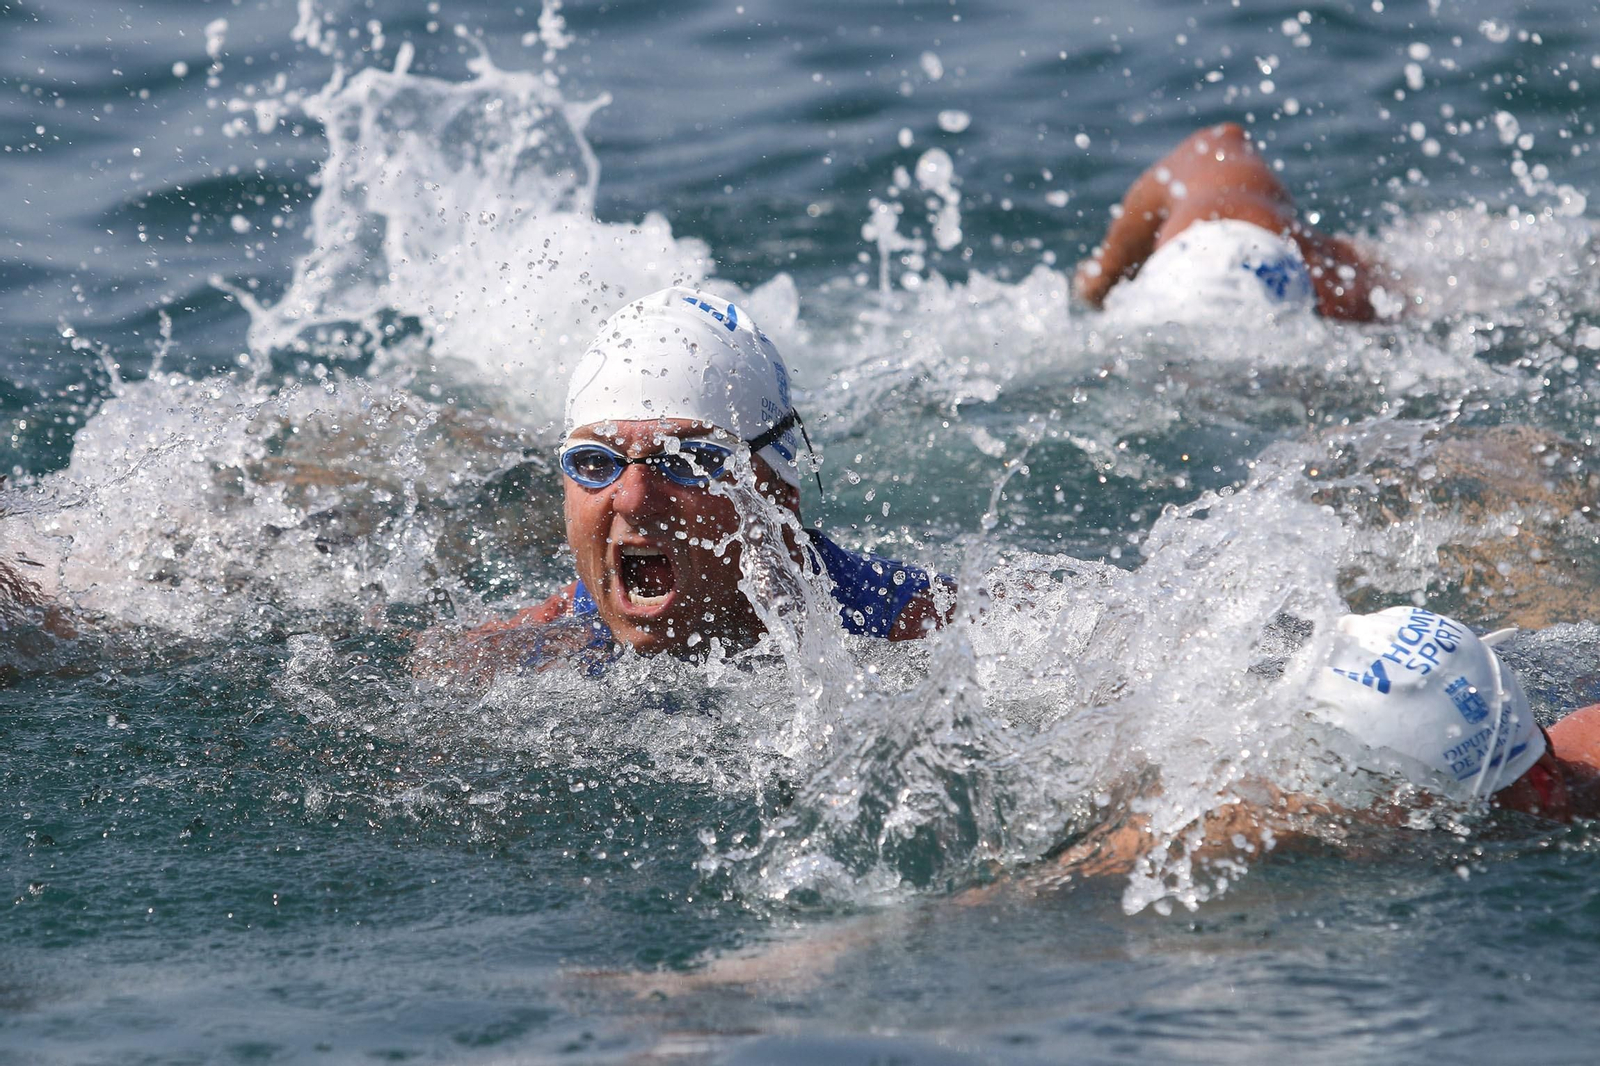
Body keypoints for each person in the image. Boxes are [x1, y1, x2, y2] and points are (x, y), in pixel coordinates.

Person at [424, 286, 950, 676]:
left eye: (691, 459)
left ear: (779, 494)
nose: (632, 497)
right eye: (593, 461)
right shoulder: (524, 648)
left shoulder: (917, 630)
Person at [1075, 122, 1391, 322]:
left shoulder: (1213, 169)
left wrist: (1099, 279)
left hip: (1168, 305)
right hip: (1274, 312)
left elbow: (1224, 136)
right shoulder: (1336, 282)